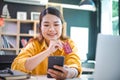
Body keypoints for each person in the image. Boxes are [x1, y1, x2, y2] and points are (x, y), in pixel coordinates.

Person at [11, 7, 82, 80]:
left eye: (56, 24)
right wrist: (48, 51)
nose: (51, 29)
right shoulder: (33, 44)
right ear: (40, 28)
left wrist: (70, 73)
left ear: (62, 26)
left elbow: (75, 64)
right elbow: (16, 67)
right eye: (46, 25)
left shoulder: (67, 44)